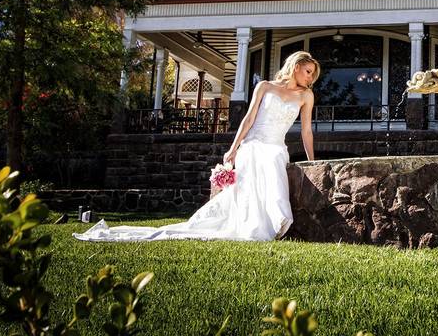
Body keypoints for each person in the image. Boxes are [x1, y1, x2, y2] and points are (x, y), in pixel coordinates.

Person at [73, 51, 319, 242]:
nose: (310, 78)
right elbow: (249, 119)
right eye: (308, 72)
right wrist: (233, 148)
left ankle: (270, 226)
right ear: (296, 67)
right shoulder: (265, 86)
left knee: (273, 181)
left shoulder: (305, 96)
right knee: (250, 187)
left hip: (276, 147)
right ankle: (253, 228)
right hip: (253, 145)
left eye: (312, 75)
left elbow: (306, 130)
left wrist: (311, 161)